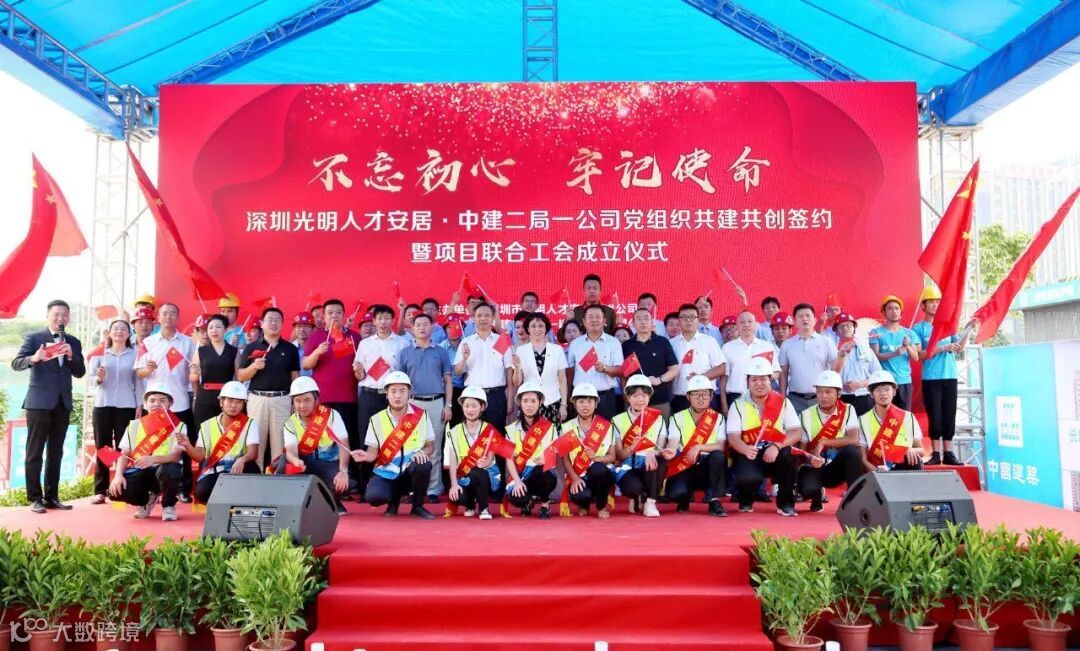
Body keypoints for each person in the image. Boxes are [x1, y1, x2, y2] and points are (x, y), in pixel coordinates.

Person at [134, 302, 197, 501]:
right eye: (164, 314)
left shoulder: (187, 342)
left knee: (183, 445)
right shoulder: (148, 342)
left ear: (178, 317)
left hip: (180, 401)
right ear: (158, 318)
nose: (168, 317)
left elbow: (193, 370)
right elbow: (139, 372)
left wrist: (195, 372)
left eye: (172, 314)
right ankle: (153, 490)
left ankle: (184, 489)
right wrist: (148, 369)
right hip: (155, 404)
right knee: (153, 445)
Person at [726, 358, 802, 516]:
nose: (759, 384)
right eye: (754, 379)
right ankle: (745, 499)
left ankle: (786, 503)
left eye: (763, 379)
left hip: (774, 452)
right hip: (750, 452)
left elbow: (796, 432)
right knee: (747, 477)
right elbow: (733, 437)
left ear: (771, 380)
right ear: (747, 382)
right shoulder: (738, 404)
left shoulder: (783, 402)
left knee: (789, 453)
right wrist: (745, 449)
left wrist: (777, 446)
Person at [361, 372, 437, 519]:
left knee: (423, 465)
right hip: (387, 470)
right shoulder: (376, 419)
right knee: (374, 497)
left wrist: (422, 453)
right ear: (386, 394)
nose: (397, 396)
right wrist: (365, 456)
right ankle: (393, 502)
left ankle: (417, 506)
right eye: (393, 391)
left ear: (409, 394)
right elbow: (372, 452)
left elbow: (430, 446)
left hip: (410, 468)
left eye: (402, 391)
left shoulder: (421, 415)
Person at [397, 313, 453, 502]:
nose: (421, 328)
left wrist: (448, 405)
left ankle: (433, 489)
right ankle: (413, 489)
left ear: (432, 327)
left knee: (435, 447)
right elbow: (400, 383)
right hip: (412, 403)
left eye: (425, 324)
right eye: (418, 325)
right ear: (412, 329)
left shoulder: (441, 352)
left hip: (436, 402)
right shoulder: (405, 352)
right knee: (411, 446)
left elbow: (448, 381)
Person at [108, 383, 185, 521]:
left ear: (170, 403)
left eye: (162, 400)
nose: (157, 404)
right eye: (152, 400)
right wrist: (118, 475)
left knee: (171, 469)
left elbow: (176, 456)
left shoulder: (178, 426)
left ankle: (168, 505)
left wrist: (153, 459)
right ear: (145, 404)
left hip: (164, 470)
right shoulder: (134, 425)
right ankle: (146, 501)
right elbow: (124, 454)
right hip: (141, 470)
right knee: (116, 491)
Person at [276, 376, 352, 514]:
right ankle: (293, 502)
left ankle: (334, 501)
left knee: (342, 484)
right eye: (298, 401)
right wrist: (296, 461)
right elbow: (291, 451)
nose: (302, 405)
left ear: (316, 400)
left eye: (307, 400)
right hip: (306, 463)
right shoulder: (290, 424)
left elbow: (343, 445)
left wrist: (343, 471)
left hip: (329, 463)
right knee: (283, 463)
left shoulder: (331, 415)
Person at [353, 303, 408, 494]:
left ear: (392, 320)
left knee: (392, 439)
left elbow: (405, 372)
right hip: (369, 395)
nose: (383, 322)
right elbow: (359, 376)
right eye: (379, 318)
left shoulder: (402, 343)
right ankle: (365, 485)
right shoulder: (365, 344)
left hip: (392, 398)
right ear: (374, 321)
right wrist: (358, 371)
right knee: (366, 439)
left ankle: (393, 485)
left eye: (386, 318)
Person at [445, 386, 522, 520]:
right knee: (458, 496)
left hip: (488, 477)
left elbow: (502, 455)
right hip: (465, 476)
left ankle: (484, 508)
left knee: (478, 472)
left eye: (474, 406)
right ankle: (469, 505)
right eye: (467, 406)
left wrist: (486, 463)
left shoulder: (490, 430)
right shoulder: (455, 431)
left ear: (482, 407)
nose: (470, 410)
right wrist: (454, 484)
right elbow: (452, 460)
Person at [238, 307, 300, 468]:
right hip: (257, 400)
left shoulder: (290, 349)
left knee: (279, 446)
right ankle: (256, 478)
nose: (274, 323)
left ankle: (276, 478)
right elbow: (241, 376)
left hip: (282, 400)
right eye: (270, 319)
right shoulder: (251, 347)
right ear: (262, 323)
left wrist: (295, 400)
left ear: (282, 324)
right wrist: (254, 367)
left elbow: (295, 377)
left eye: (277, 320)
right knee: (256, 445)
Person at [796, 370, 864, 513]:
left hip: (837, 467)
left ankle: (854, 501)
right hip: (816, 466)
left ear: (838, 393)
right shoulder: (805, 415)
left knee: (853, 452)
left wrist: (824, 442)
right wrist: (810, 458)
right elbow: (802, 451)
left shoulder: (847, 410)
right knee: (806, 489)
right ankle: (816, 496)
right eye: (820, 392)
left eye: (828, 392)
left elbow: (854, 438)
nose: (823, 396)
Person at [912, 286, 966, 465]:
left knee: (949, 415)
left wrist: (969, 329)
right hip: (931, 378)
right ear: (923, 306)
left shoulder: (948, 326)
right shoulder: (919, 329)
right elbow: (920, 354)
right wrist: (943, 348)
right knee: (934, 415)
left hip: (950, 376)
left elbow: (959, 347)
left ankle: (949, 453)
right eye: (931, 302)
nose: (935, 305)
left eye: (937, 302)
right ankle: (936, 453)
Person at [88, 318, 138, 505]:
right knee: (104, 446)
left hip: (126, 404)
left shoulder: (134, 354)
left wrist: (140, 404)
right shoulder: (100, 353)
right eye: (115, 328)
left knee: (123, 447)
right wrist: (99, 379)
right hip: (103, 403)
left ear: (129, 334)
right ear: (109, 332)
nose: (119, 332)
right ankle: (101, 489)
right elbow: (90, 379)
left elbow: (138, 381)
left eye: (123, 329)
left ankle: (121, 487)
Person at [186, 381, 261, 504]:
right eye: (230, 401)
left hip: (239, 468)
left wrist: (242, 459)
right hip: (216, 470)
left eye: (238, 402)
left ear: (243, 404)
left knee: (254, 472)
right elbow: (199, 457)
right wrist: (187, 446)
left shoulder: (249, 424)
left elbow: (253, 453)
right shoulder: (207, 426)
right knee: (202, 491)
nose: (234, 405)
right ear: (221, 402)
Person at [303, 299, 362, 454]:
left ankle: (347, 467)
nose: (334, 316)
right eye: (330, 313)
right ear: (324, 316)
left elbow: (362, 364)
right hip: (323, 398)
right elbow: (306, 365)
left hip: (348, 397)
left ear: (344, 315)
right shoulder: (315, 337)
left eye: (338, 312)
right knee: (323, 439)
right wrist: (317, 352)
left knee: (347, 437)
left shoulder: (354, 337)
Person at [664, 375, 727, 517]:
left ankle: (714, 500)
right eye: (696, 394)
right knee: (675, 493)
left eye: (705, 394)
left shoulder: (718, 418)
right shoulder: (677, 417)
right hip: (685, 464)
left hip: (707, 465)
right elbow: (673, 440)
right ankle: (684, 497)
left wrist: (699, 447)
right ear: (688, 397)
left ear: (711, 396)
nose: (700, 398)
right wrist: (671, 450)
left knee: (718, 456)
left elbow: (721, 445)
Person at [612, 375, 673, 518]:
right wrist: (632, 447)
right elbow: (619, 455)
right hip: (628, 466)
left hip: (649, 465)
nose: (640, 399)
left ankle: (650, 501)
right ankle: (636, 496)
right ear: (628, 398)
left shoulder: (658, 419)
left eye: (644, 395)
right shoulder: (617, 420)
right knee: (633, 487)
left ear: (649, 397)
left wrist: (654, 452)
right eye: (635, 396)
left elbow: (660, 446)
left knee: (659, 462)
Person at [453, 302, 512, 430]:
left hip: (496, 397)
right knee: (473, 435)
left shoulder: (501, 340)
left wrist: (510, 399)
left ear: (493, 318)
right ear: (473, 319)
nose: (483, 318)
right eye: (479, 315)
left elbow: (508, 370)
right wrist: (464, 359)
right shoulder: (466, 342)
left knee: (496, 434)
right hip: (472, 396)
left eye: (487, 315)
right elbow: (457, 372)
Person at [561, 383, 616, 518]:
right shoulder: (566, 427)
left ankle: (601, 506)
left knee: (598, 470)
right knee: (580, 495)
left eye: (590, 401)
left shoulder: (606, 426)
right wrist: (574, 478)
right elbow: (565, 458)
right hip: (578, 473)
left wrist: (597, 458)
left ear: (596, 404)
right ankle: (583, 504)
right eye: (581, 401)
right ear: (575, 404)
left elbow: (612, 456)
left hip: (601, 472)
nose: (585, 405)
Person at [505, 382, 559, 518]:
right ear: (520, 403)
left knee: (543, 472)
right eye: (525, 401)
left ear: (540, 403)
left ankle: (545, 504)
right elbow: (509, 459)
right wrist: (517, 482)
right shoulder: (511, 429)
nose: (529, 405)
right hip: (522, 474)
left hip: (544, 473)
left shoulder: (549, 427)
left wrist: (548, 458)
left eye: (533, 401)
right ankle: (528, 501)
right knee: (517, 498)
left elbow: (555, 452)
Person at [778, 303, 843, 414]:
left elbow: (835, 370)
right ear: (795, 321)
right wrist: (783, 397)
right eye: (800, 316)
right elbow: (783, 373)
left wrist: (842, 356)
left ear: (815, 320)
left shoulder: (826, 341)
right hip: (795, 399)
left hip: (821, 399)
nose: (804, 319)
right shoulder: (787, 344)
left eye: (808, 315)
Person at [859, 370, 925, 471]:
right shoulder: (862, 420)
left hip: (902, 466)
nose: (883, 394)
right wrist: (877, 473)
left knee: (914, 458)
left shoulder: (908, 417)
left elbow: (921, 450)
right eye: (878, 390)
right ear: (871, 394)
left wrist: (910, 450)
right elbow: (863, 459)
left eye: (887, 389)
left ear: (894, 392)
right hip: (876, 469)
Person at [566, 305, 624, 420]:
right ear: (584, 321)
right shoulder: (576, 344)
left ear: (604, 321)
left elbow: (619, 370)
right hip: (580, 397)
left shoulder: (613, 342)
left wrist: (605, 368)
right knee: (580, 430)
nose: (594, 320)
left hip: (605, 397)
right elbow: (570, 372)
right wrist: (568, 397)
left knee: (605, 430)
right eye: (590, 317)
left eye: (598, 317)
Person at [510, 313, 568, 425]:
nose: (537, 329)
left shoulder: (557, 350)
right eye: (533, 326)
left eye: (541, 326)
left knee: (552, 435)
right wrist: (517, 367)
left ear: (546, 328)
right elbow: (517, 382)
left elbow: (562, 380)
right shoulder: (521, 350)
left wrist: (564, 404)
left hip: (553, 402)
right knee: (529, 435)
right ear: (528, 329)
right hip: (530, 405)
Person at [621, 307, 679, 418]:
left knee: (661, 429)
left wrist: (660, 379)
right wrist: (626, 397)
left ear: (652, 322)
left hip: (659, 400)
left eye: (646, 318)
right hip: (634, 401)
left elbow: (674, 368)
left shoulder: (662, 342)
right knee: (634, 429)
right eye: (638, 319)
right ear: (633, 323)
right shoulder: (626, 345)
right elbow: (623, 375)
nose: (643, 322)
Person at [669, 303, 726, 414]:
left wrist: (701, 377)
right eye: (684, 317)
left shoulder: (709, 341)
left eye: (692, 317)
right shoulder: (671, 343)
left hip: (705, 397)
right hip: (680, 398)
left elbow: (721, 368)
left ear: (698, 319)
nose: (688, 320)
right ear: (679, 320)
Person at [721, 310, 780, 413]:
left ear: (755, 324)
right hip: (736, 397)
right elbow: (723, 379)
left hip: (762, 397)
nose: (746, 325)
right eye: (742, 322)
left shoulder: (767, 346)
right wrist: (724, 404)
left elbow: (777, 372)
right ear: (737, 326)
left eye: (750, 321)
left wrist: (764, 377)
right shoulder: (727, 348)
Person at [870, 296, 920, 410]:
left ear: (901, 313)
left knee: (903, 416)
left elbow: (916, 357)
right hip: (884, 382)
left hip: (904, 382)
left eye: (897, 308)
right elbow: (875, 356)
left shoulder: (909, 333)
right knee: (884, 416)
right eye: (890, 308)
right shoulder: (876, 332)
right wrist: (895, 353)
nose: (894, 311)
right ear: (884, 312)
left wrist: (908, 346)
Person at [189, 315, 239, 428]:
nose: (214, 330)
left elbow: (239, 378)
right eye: (210, 327)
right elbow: (192, 379)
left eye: (218, 327)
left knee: (227, 432)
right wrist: (195, 373)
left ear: (225, 329)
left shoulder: (234, 351)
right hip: (205, 398)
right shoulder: (201, 351)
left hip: (227, 398)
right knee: (204, 433)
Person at [833, 312, 880, 415]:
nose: (845, 328)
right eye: (841, 326)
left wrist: (859, 384)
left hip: (864, 397)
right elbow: (830, 374)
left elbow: (878, 375)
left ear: (854, 328)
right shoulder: (831, 350)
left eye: (848, 325)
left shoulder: (866, 349)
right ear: (835, 331)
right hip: (840, 399)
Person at [292, 311, 315, 376]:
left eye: (306, 326)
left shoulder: (318, 348)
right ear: (294, 329)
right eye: (299, 326)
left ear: (312, 329)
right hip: (295, 382)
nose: (302, 329)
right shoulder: (289, 349)